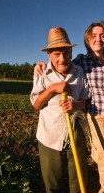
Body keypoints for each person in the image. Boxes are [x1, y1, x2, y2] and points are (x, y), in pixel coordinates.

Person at [34, 21, 104, 193]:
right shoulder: (74, 64)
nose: (98, 39)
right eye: (94, 35)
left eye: (102, 35)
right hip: (85, 121)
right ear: (87, 39)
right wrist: (45, 75)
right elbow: (38, 101)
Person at [30, 27, 90, 193]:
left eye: (65, 52)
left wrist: (75, 105)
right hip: (50, 133)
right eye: (56, 54)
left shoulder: (79, 71)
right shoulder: (42, 72)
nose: (62, 58)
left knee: (78, 179)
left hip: (75, 130)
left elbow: (85, 99)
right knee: (53, 180)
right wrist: (51, 89)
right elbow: (36, 104)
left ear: (71, 52)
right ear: (49, 55)